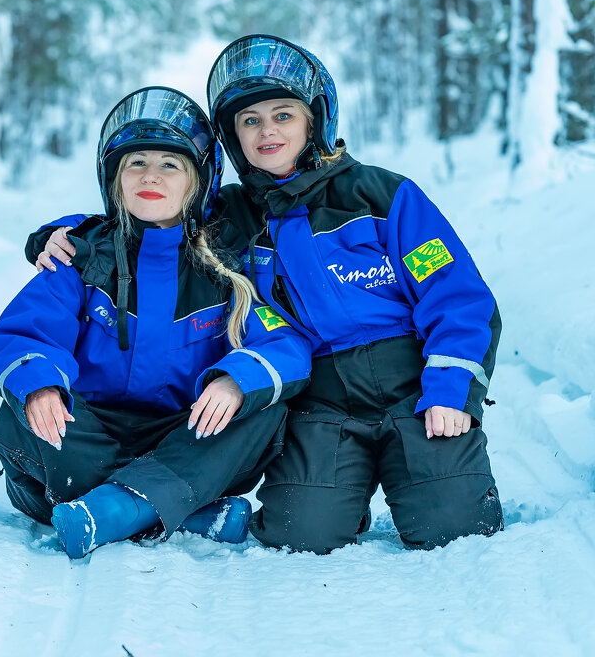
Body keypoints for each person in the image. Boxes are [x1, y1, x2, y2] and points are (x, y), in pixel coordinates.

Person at [35, 36, 504, 554]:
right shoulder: (232, 214)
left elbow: (456, 296)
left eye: (283, 115)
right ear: (235, 137)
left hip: (412, 385)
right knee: (299, 535)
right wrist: (64, 233)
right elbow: (152, 209)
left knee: (455, 530)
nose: (268, 131)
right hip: (320, 400)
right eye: (250, 121)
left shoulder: (382, 196)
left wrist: (452, 388)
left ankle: (421, 473)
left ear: (313, 120)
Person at [0, 86, 310, 559]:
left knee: (265, 408)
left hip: (183, 434)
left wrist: (236, 381)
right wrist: (40, 386)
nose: (150, 176)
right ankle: (183, 510)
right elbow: (23, 333)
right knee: (24, 408)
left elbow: (285, 344)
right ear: (114, 178)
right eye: (136, 163)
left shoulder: (224, 265)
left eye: (169, 165)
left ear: (196, 183)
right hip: (90, 431)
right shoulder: (81, 253)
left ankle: (117, 508)